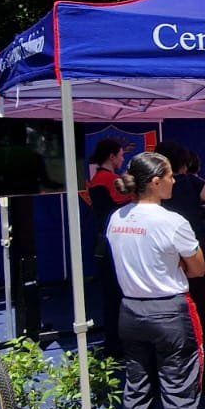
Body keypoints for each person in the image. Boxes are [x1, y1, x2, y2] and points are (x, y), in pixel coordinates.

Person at [103, 152, 205, 409]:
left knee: (137, 387)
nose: (175, 180)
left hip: (131, 311)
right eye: (169, 175)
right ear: (154, 182)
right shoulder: (172, 221)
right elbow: (198, 269)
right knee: (179, 388)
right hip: (168, 312)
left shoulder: (117, 218)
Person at [156, 142, 205, 391]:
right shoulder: (192, 183)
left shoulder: (154, 190)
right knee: (203, 314)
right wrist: (200, 209)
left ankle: (175, 376)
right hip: (195, 251)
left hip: (166, 255)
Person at [86, 138, 133, 355]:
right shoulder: (110, 180)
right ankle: (118, 345)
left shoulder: (96, 179)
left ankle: (113, 343)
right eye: (121, 155)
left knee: (110, 296)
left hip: (103, 241)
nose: (122, 159)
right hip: (115, 244)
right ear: (112, 156)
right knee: (117, 296)